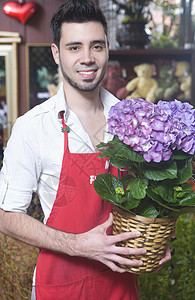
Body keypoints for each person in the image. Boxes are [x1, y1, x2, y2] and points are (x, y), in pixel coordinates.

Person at [0, 1, 171, 299]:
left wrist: (155, 239)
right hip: (60, 284)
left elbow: (149, 195)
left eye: (97, 46)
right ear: (56, 53)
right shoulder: (32, 127)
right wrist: (79, 245)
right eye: (74, 47)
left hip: (119, 284)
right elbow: (6, 215)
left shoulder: (134, 120)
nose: (88, 58)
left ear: (107, 49)